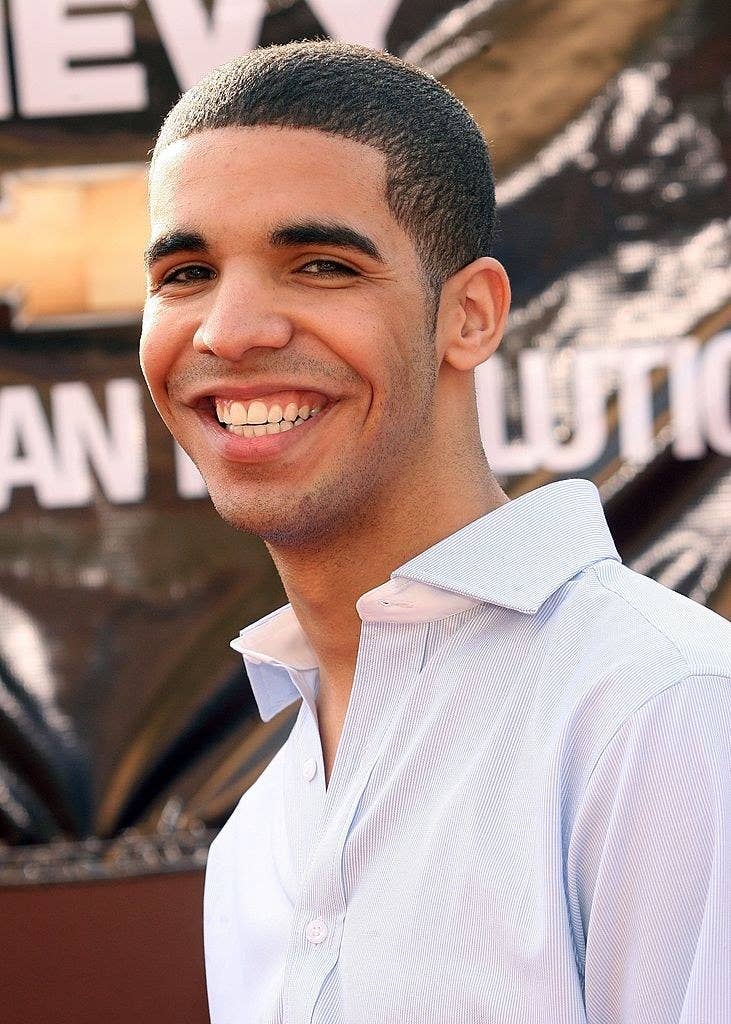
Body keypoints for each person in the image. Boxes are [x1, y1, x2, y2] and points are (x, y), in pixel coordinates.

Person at [139, 40, 730, 1024]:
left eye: (319, 264)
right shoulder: (252, 844)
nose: (230, 329)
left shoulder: (665, 716)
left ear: (469, 315)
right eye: (187, 270)